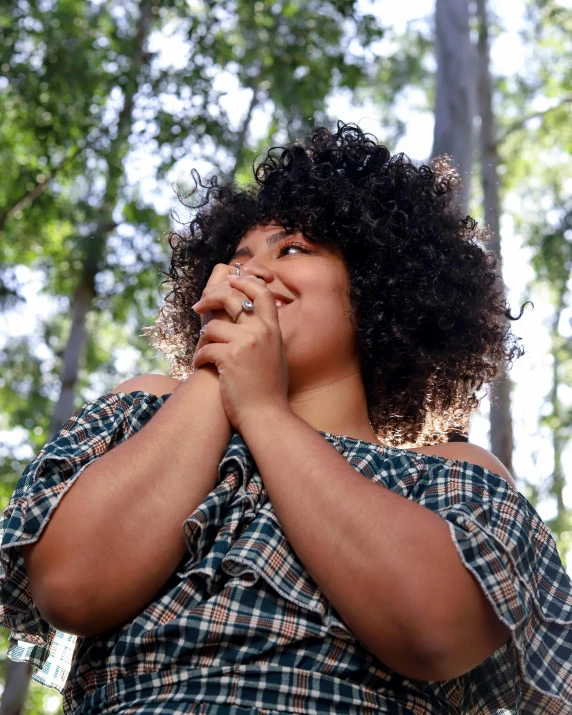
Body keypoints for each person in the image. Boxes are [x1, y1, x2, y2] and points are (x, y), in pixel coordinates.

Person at [1, 122, 571, 714]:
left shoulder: (449, 472)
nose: (250, 273)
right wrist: (217, 372)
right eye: (238, 259)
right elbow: (72, 587)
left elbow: (433, 629)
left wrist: (265, 411)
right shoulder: (148, 409)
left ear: (375, 293)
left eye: (293, 249)